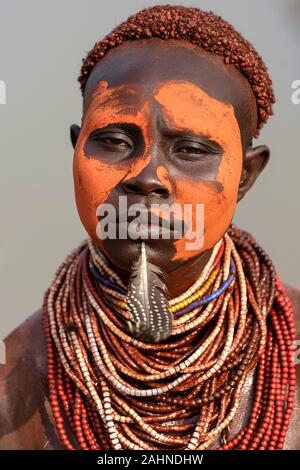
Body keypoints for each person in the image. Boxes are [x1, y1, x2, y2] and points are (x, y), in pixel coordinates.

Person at [0, 4, 299, 450]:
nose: (147, 177)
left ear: (246, 177)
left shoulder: (289, 350)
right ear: (76, 149)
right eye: (115, 141)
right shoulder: (18, 378)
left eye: (191, 150)